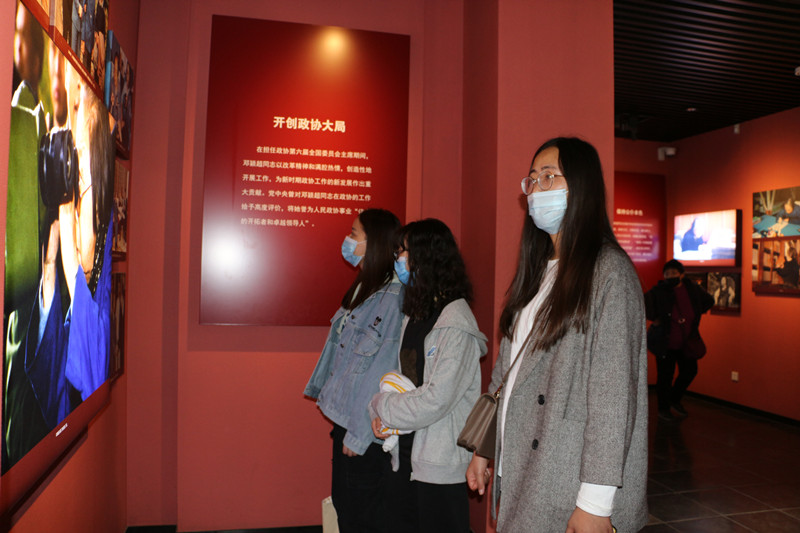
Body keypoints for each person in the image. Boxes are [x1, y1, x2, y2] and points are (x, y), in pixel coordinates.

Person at [466, 137, 649, 532]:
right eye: (532, 180)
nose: (536, 189)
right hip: (522, 464)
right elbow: (508, 372)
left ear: (581, 187)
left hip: (568, 477)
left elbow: (613, 397)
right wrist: (484, 447)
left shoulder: (609, 273)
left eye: (549, 177)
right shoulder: (537, 270)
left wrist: (595, 504)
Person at [369, 219, 487, 533]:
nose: (398, 260)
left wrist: (382, 405)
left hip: (438, 465)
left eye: (404, 252)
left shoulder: (455, 321)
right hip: (404, 454)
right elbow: (402, 379)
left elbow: (436, 399)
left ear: (428, 255)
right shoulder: (415, 314)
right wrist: (378, 413)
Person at [304, 209, 405, 533]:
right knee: (346, 508)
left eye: (354, 233)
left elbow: (381, 370)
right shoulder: (367, 289)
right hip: (345, 419)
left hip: (363, 429)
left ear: (372, 243)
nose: (348, 240)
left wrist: (360, 435)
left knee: (361, 516)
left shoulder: (392, 298)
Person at [645, 259, 714, 421]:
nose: (670, 276)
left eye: (674, 273)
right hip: (665, 342)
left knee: (690, 371)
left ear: (682, 274)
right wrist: (655, 318)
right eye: (667, 273)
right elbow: (644, 304)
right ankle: (663, 409)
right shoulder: (658, 291)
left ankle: (674, 399)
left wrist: (694, 315)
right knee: (665, 377)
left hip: (686, 341)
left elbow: (708, 301)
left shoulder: (692, 289)